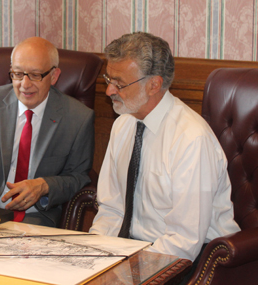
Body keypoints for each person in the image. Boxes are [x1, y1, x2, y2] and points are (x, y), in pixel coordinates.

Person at [89, 32, 240, 263]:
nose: (109, 91)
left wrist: (131, 268)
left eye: (119, 84)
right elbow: (111, 209)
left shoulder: (191, 139)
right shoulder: (123, 125)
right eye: (108, 80)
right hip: (132, 251)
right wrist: (94, 255)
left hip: (193, 259)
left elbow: (183, 239)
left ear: (154, 85)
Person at [0, 37, 94, 227]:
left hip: (37, 217)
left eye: (35, 75)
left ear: (54, 76)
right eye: (18, 74)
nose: (25, 84)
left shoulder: (78, 118)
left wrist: (44, 185)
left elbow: (78, 176)